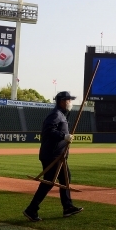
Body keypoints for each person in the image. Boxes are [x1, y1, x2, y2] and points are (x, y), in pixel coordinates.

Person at [23, 91, 84, 222]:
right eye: (69, 100)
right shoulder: (56, 115)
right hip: (52, 155)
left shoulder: (61, 114)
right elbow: (48, 131)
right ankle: (31, 209)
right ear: (62, 101)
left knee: (65, 178)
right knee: (49, 182)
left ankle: (67, 207)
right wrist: (64, 136)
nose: (70, 103)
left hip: (58, 155)